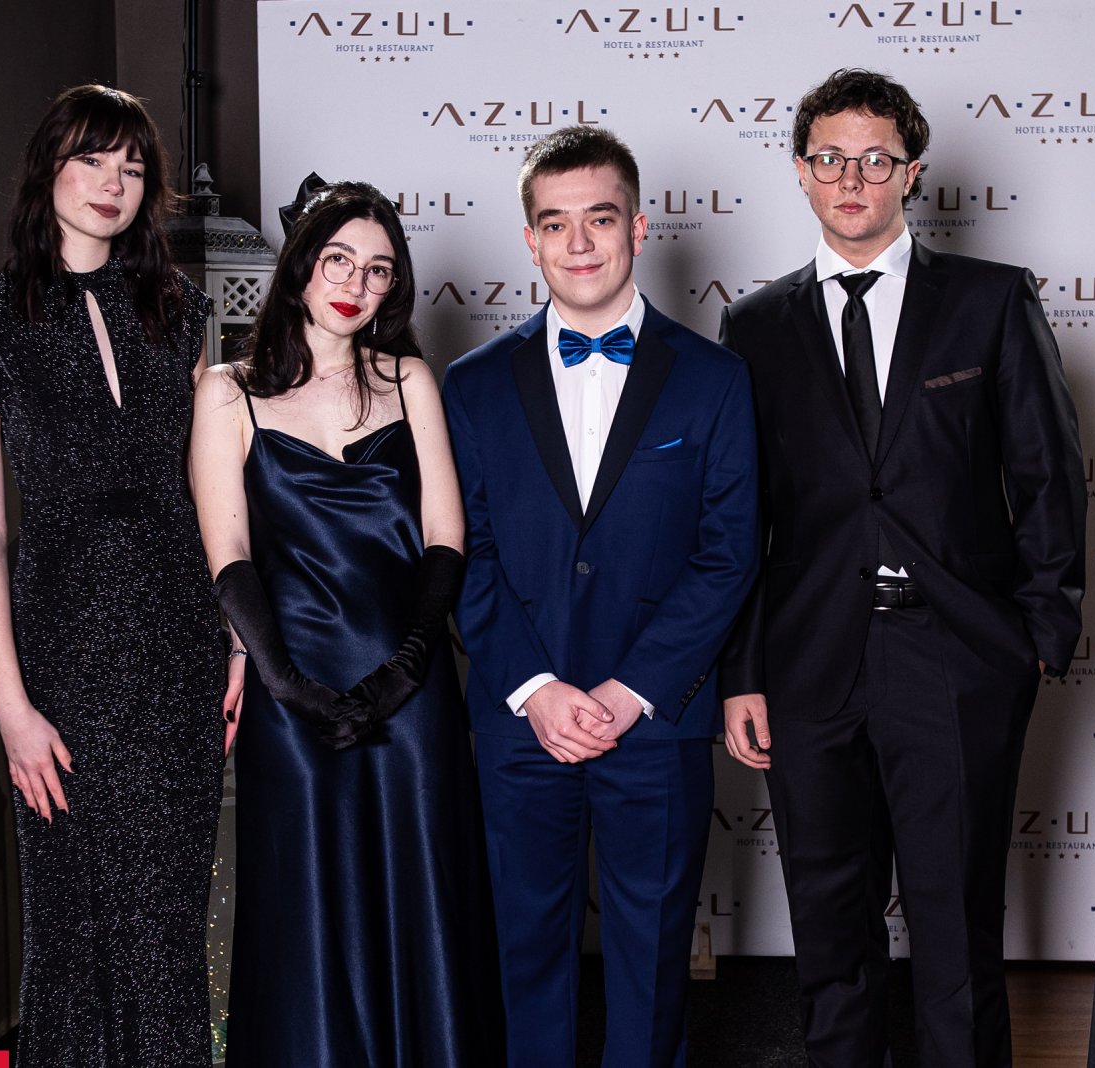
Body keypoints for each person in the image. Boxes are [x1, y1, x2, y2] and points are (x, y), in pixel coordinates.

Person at [718, 68, 1087, 1067]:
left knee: (956, 926)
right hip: (808, 665)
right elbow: (740, 517)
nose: (852, 178)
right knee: (828, 930)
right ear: (800, 172)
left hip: (957, 657)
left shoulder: (991, 300)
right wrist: (743, 672)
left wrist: (1038, 636)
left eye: (874, 159)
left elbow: (1046, 475)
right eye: (830, 158)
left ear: (911, 171)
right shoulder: (754, 326)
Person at [444, 126, 761, 1068]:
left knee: (652, 961)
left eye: (600, 218)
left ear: (639, 226)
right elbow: (462, 553)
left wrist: (631, 692)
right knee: (522, 955)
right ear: (530, 239)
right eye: (555, 223)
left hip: (656, 723)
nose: (578, 242)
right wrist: (536, 689)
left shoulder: (716, 379)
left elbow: (729, 554)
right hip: (519, 721)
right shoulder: (471, 385)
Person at [0, 85, 229, 1065]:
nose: (113, 182)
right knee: (72, 929)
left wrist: (235, 640)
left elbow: (214, 496)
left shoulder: (180, 313)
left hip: (179, 647)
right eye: (91, 160)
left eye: (132, 167)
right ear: (46, 171)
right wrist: (10, 705)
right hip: (61, 659)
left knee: (166, 930)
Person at [189, 179, 503, 1066]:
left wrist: (408, 668)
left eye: (378, 269)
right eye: (338, 260)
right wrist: (285, 684)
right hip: (292, 694)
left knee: (423, 895)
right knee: (305, 907)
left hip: (410, 691)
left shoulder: (410, 379)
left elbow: (445, 536)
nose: (355, 285)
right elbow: (229, 555)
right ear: (300, 267)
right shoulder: (228, 392)